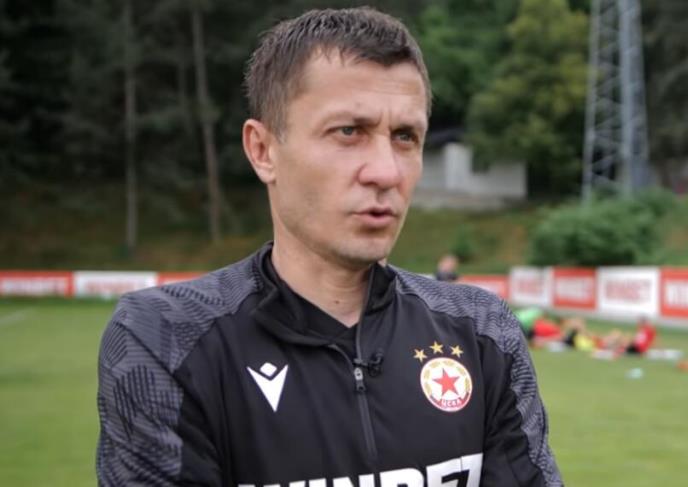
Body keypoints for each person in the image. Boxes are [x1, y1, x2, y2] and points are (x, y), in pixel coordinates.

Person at [96, 7, 562, 486]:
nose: (386, 172)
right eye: (349, 131)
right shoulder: (167, 337)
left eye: (405, 136)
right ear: (263, 150)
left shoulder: (481, 331)